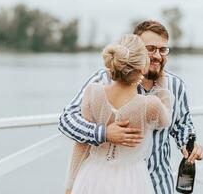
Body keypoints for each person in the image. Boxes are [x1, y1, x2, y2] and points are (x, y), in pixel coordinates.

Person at [58, 20, 203, 194]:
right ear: (136, 50)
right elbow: (66, 120)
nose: (158, 55)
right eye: (150, 49)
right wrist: (103, 133)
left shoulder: (176, 86)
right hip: (109, 185)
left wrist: (189, 143)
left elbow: (182, 123)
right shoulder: (104, 80)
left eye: (163, 49)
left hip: (159, 183)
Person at [65, 34, 174, 194]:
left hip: (91, 176)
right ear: (143, 66)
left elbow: (81, 145)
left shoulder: (92, 93)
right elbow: (166, 120)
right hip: (132, 180)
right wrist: (162, 80)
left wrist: (70, 185)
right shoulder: (151, 105)